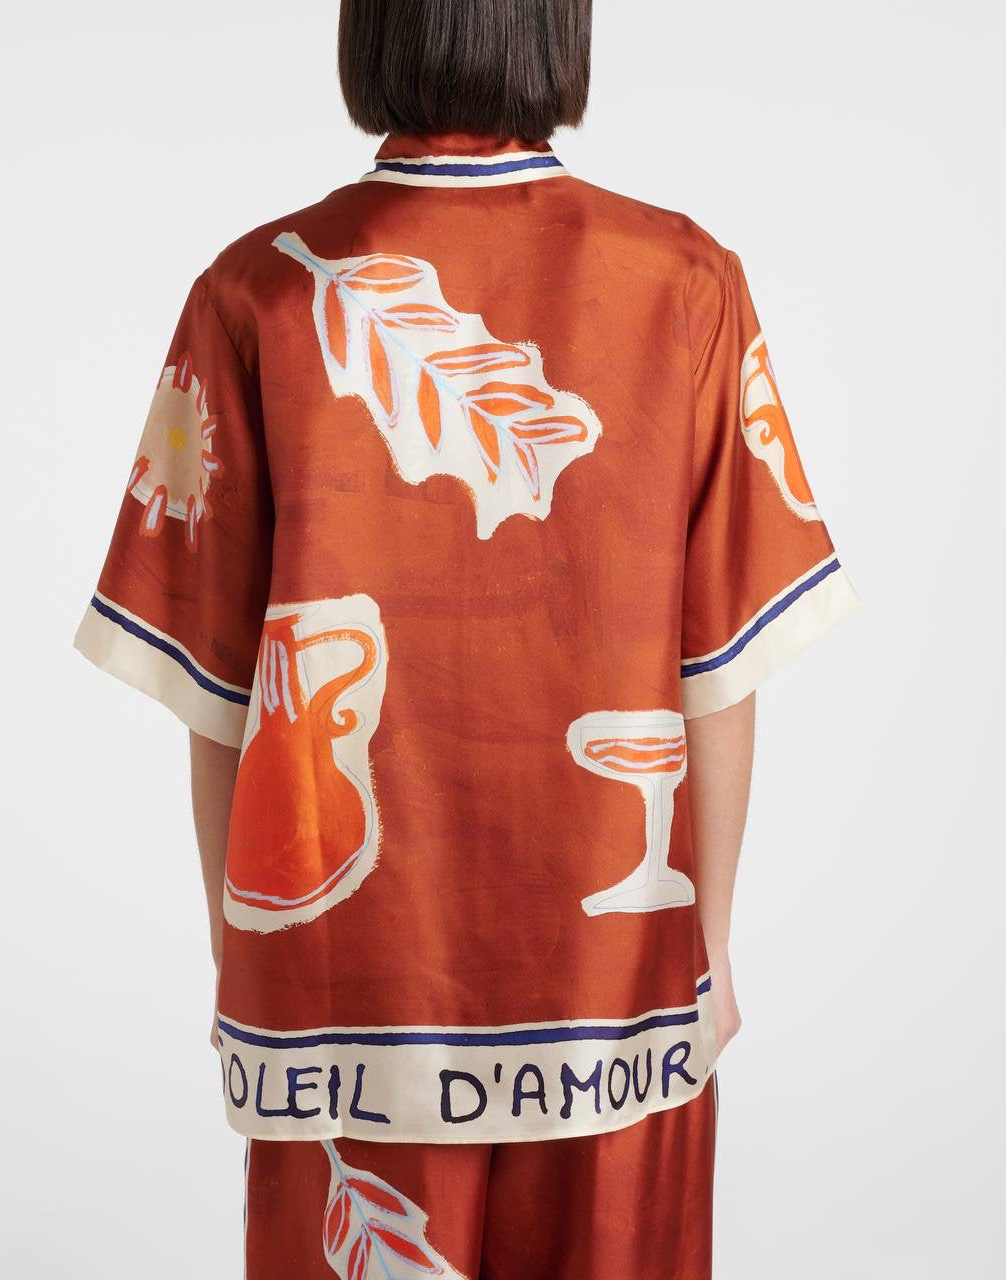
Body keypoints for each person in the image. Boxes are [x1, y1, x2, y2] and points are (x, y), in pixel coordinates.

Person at [73, 1, 858, 1274]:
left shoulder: (255, 289)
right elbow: (718, 668)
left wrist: (247, 956)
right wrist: (705, 945)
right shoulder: (685, 282)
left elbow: (221, 693)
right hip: (616, 992)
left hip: (340, 1001)